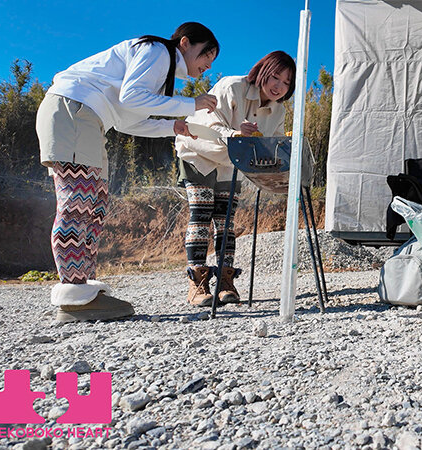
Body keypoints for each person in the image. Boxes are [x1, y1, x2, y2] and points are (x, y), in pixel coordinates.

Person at [36, 22, 220, 323]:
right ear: (185, 43)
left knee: (94, 205)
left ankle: (85, 292)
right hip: (75, 110)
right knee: (77, 204)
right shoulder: (157, 50)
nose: (208, 65)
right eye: (206, 55)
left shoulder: (162, 72)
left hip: (90, 119)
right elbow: (131, 97)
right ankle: (73, 297)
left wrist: (173, 126)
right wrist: (191, 104)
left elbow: (127, 121)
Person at [174, 50, 296, 307]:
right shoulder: (232, 86)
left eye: (286, 82)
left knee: (226, 220)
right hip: (198, 151)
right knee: (201, 212)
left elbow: (270, 145)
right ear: (262, 71)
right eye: (275, 77)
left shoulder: (279, 110)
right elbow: (211, 124)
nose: (279, 86)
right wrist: (236, 133)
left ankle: (225, 281)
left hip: (231, 163)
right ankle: (197, 283)